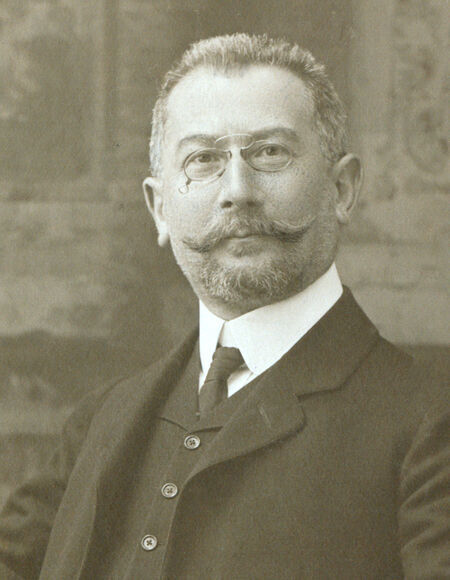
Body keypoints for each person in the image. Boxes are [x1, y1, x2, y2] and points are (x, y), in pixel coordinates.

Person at [0, 33, 448, 579]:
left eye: (270, 152)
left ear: (342, 189)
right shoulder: (98, 423)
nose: (237, 190)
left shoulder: (429, 424)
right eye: (203, 159)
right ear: (160, 209)